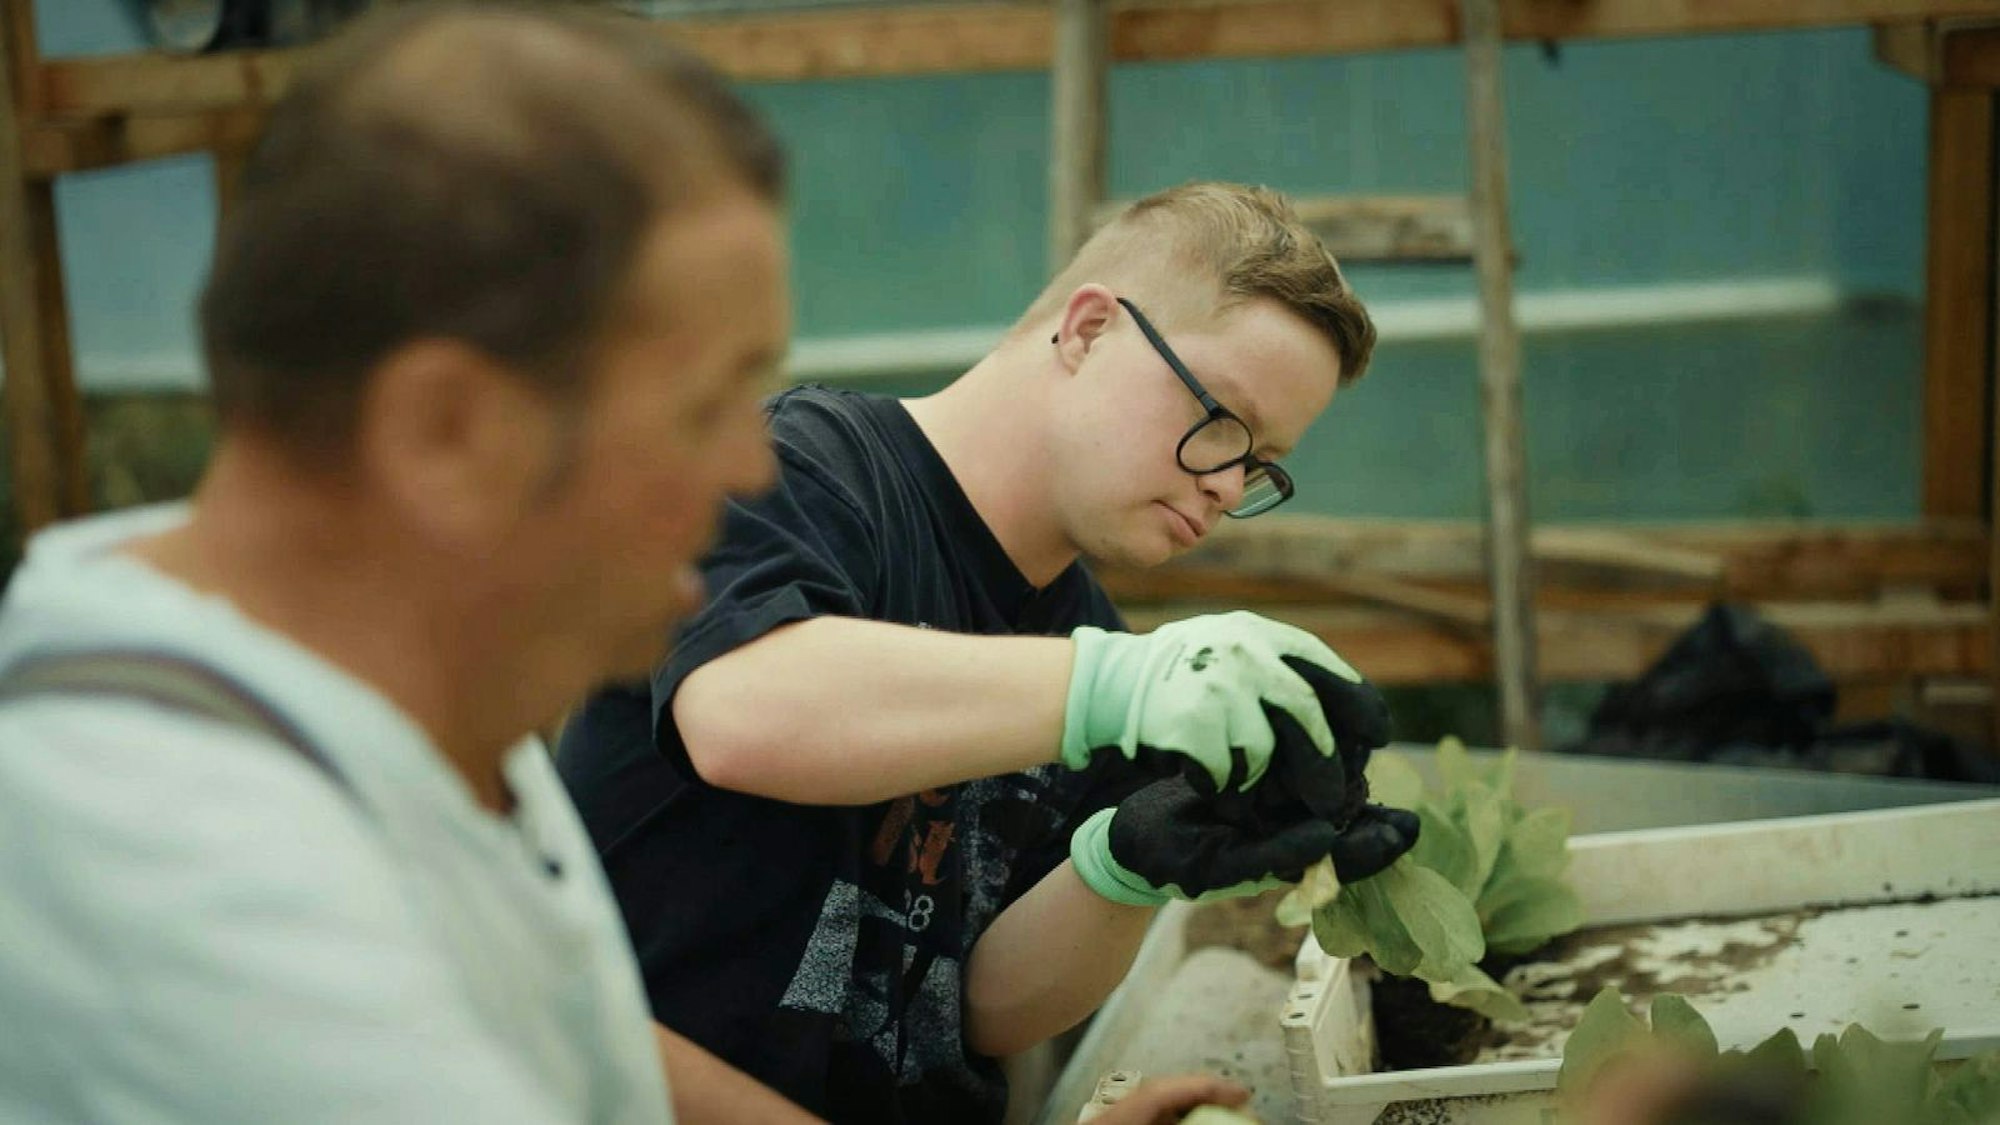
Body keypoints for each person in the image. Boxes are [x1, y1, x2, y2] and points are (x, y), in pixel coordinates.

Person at [0, 6, 805, 1121]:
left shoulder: (397, 684)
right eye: (707, 400)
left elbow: (574, 1037)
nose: (752, 466)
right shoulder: (208, 892)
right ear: (449, 432)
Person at [558, 181, 1419, 1123]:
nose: (1224, 482)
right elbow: (740, 712)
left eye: (1259, 462)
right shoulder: (802, 471)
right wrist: (1114, 686)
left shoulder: (1083, 639)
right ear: (1089, 331)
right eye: (1223, 420)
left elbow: (985, 1007)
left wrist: (1126, 863)